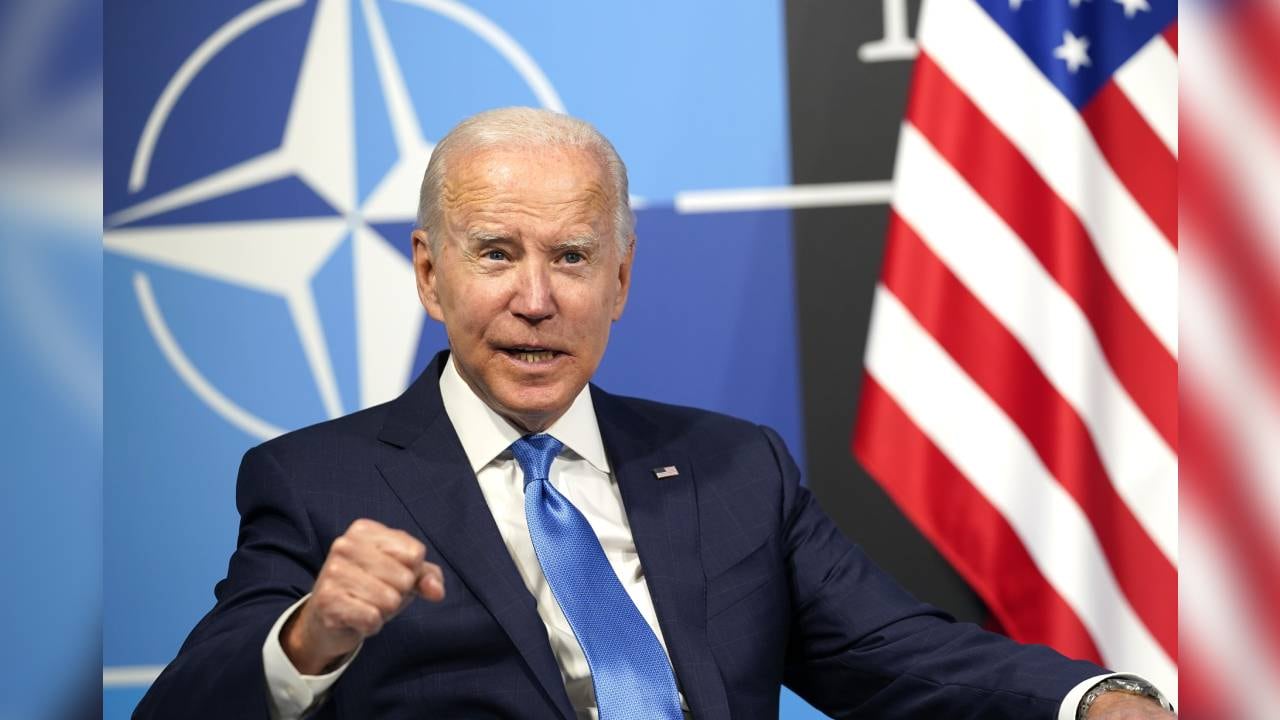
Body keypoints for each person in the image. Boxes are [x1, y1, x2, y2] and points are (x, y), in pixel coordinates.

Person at [134, 107, 1174, 720]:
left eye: (572, 258)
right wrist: (310, 635)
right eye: (495, 253)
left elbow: (899, 653)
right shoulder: (320, 481)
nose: (535, 299)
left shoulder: (731, 469)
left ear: (621, 280)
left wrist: (1090, 705)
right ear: (428, 274)